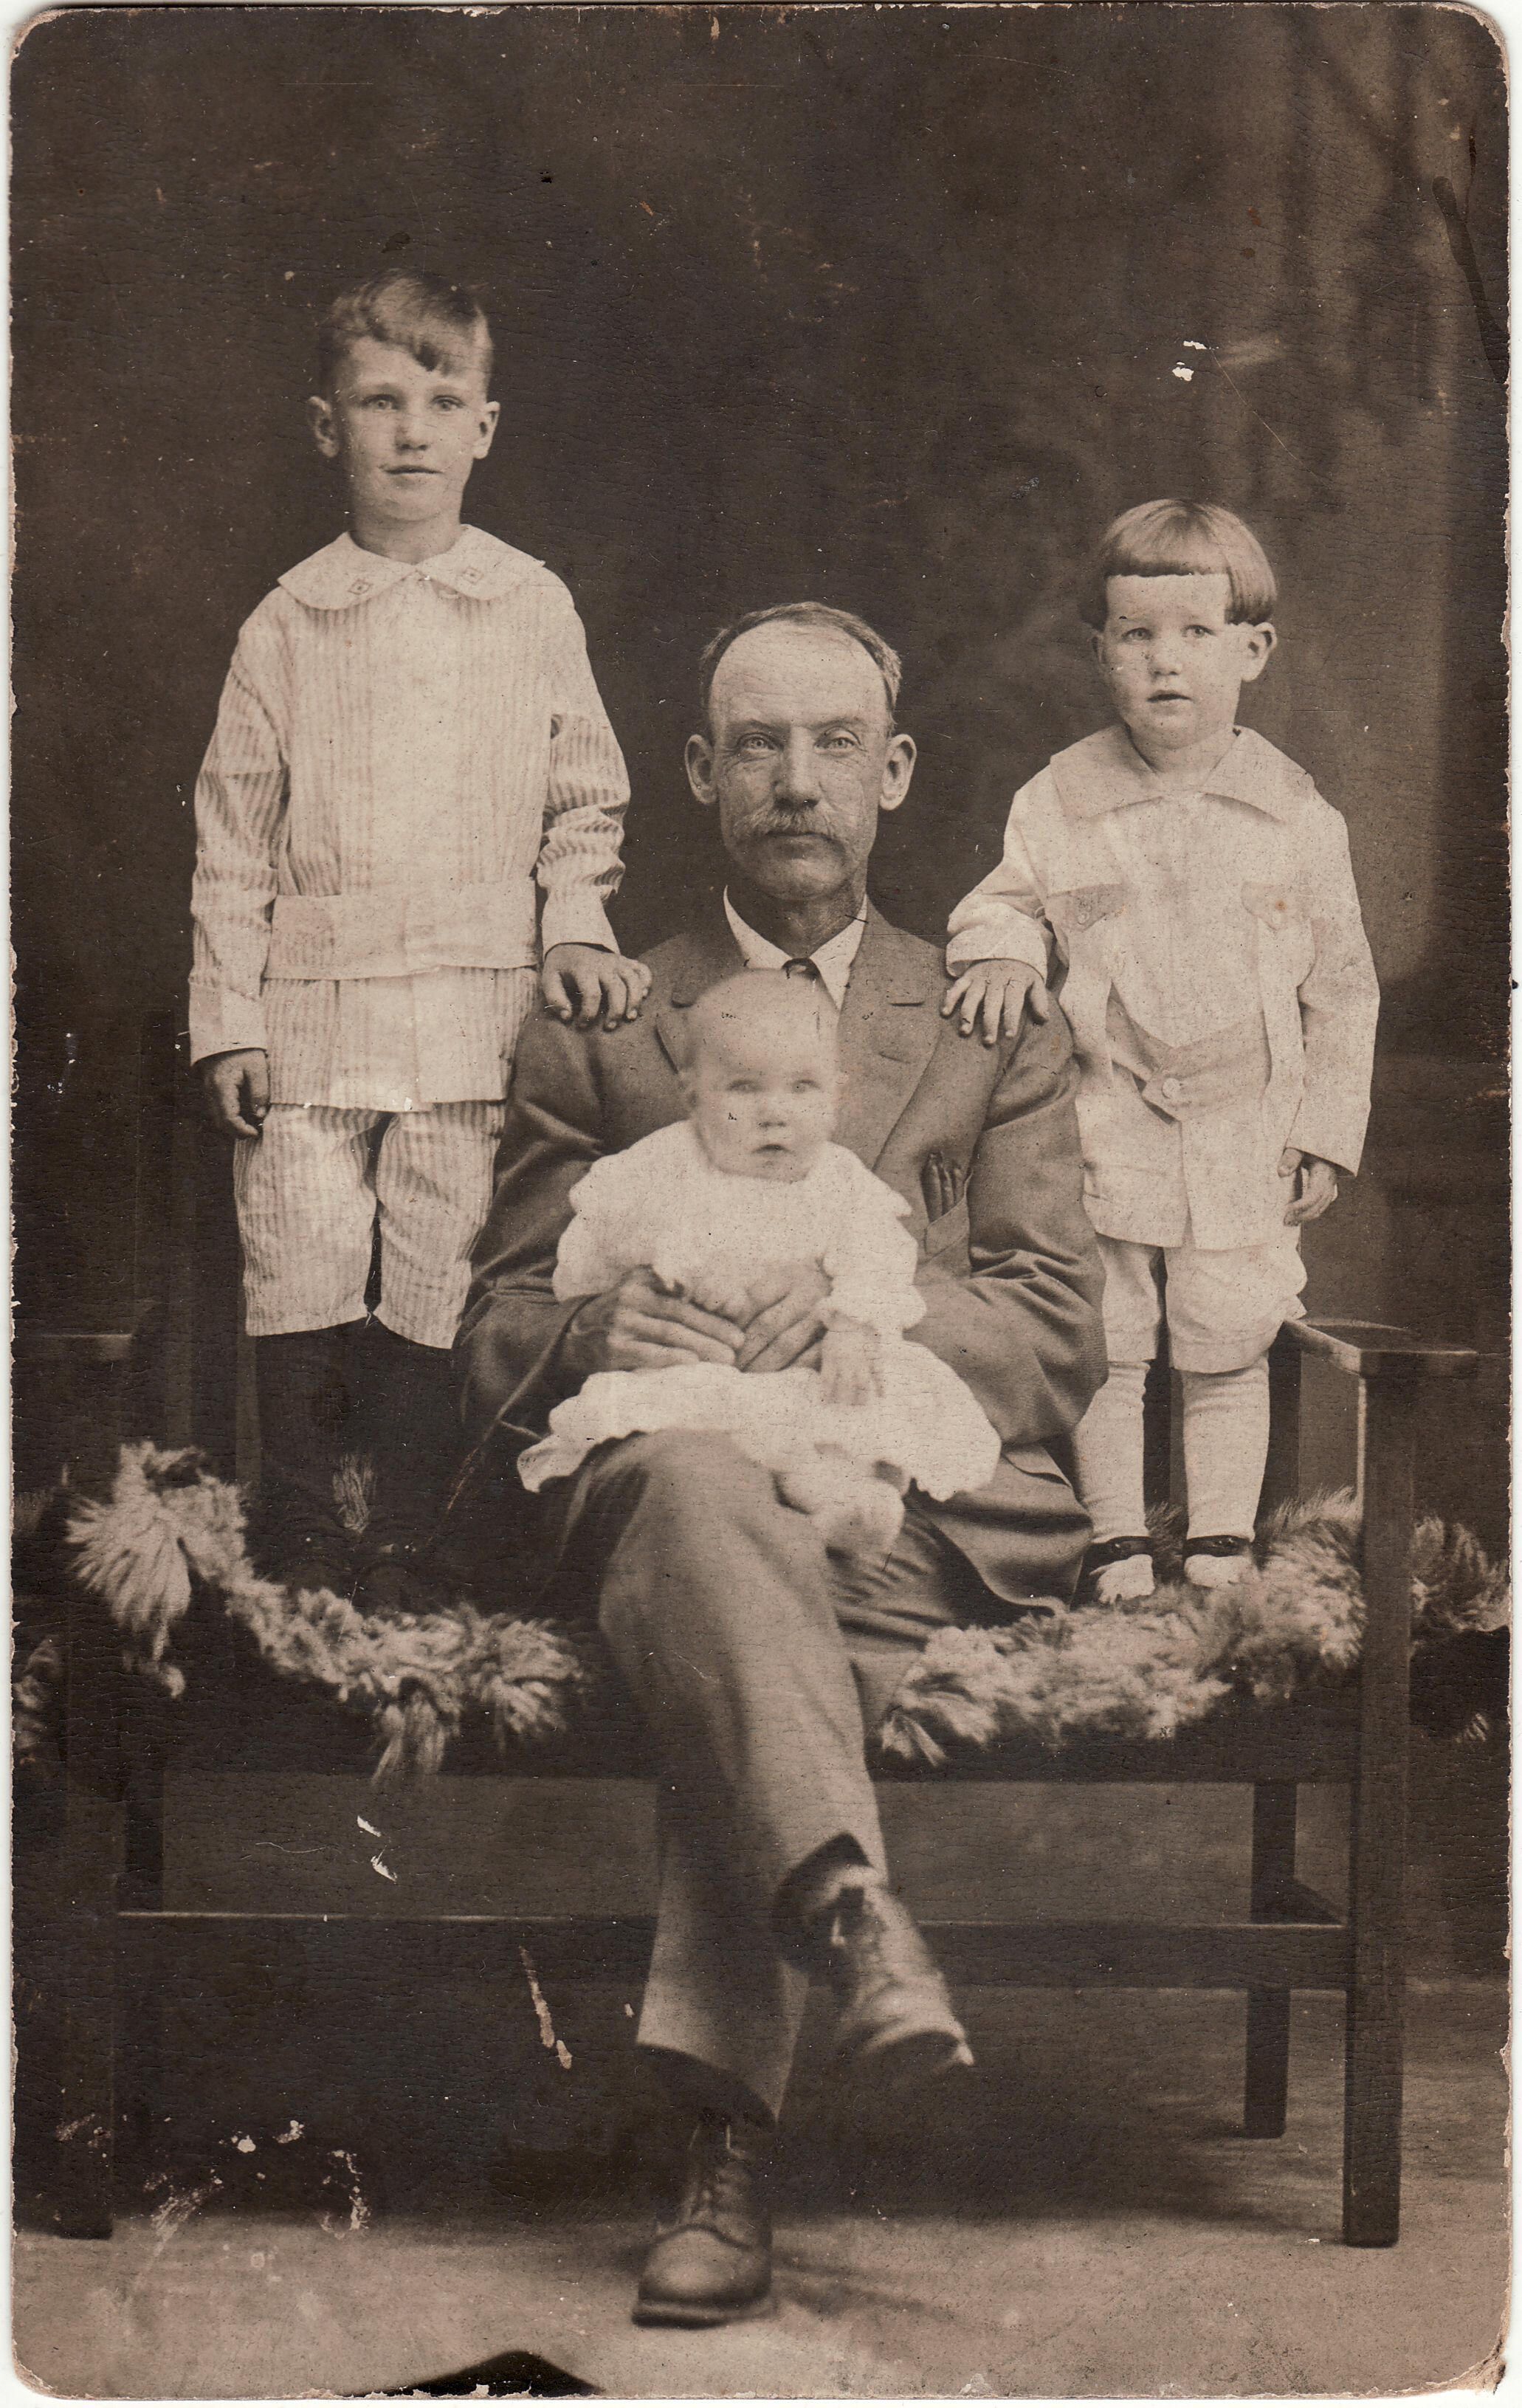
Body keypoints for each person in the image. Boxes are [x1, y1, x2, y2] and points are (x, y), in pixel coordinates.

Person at [456, 601, 1105, 2328]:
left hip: (896, 1493)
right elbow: (497, 1321)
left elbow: (1056, 1326)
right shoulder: (607, 1014)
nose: (795, 780)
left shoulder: (982, 1015)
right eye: (756, 745)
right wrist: (597, 1335)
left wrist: (866, 1317)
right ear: (696, 772)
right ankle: (844, 1921)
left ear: (893, 774)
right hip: (659, 1481)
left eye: (833, 744)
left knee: (747, 1582)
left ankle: (726, 2142)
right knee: (698, 1500)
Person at [188, 269, 650, 1614]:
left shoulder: (529, 605)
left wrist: (572, 926)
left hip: (471, 1003)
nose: (411, 431)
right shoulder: (286, 623)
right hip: (313, 1006)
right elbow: (232, 838)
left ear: (485, 428)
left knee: (442, 1259)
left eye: (443, 403)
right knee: (300, 1246)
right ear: (326, 426)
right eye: (381, 401)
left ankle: (405, 1529)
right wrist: (227, 1020)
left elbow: (584, 798)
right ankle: (301, 1524)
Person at [943, 500, 1378, 1602]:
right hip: (1109, 1109)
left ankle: (1223, 1537)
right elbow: (1001, 903)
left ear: (1252, 650)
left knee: (1228, 1334)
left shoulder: (1294, 814)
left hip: (1244, 1121)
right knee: (1111, 1335)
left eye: (1194, 633)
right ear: (1100, 652)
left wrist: (1324, 1131)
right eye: (1135, 635)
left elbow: (1341, 988)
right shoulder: (1060, 800)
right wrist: (1002, 954)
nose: (1164, 661)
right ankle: (1116, 1538)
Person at [516, 969, 1003, 1559]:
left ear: (836, 1099)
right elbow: (597, 1248)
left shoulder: (839, 1179)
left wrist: (853, 1324)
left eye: (802, 1088)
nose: (775, 1113)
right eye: (744, 1088)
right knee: (690, 1436)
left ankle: (845, 1504)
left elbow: (877, 1254)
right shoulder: (663, 1166)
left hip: (805, 1371)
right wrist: (670, 1273)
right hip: (699, 1367)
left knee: (849, 1414)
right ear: (693, 1095)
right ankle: (782, 1517)